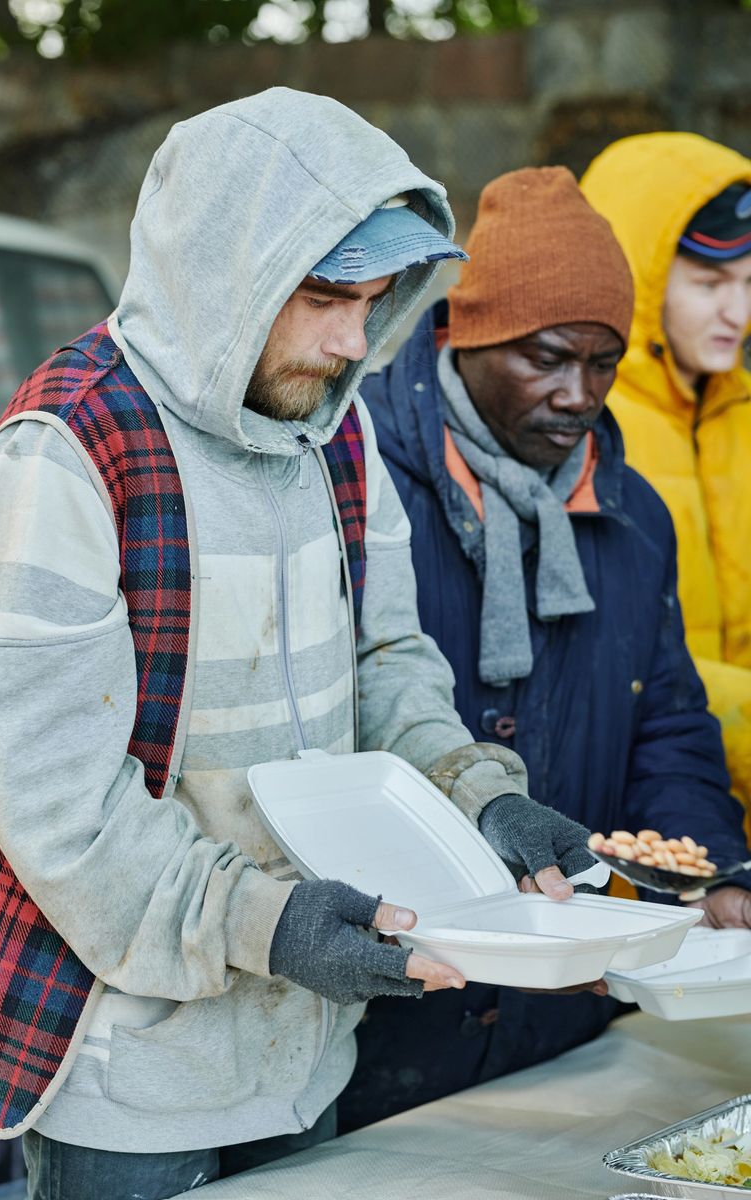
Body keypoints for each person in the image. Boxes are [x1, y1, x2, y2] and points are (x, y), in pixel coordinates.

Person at [0, 92, 596, 1200]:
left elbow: (385, 661)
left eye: (374, 300)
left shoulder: (334, 436)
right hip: (126, 1060)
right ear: (220, 271)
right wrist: (266, 920)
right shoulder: (62, 452)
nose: (356, 341)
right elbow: (56, 805)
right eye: (324, 297)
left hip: (300, 1041)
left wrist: (475, 795)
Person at [338, 166, 751, 1133]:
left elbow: (669, 725)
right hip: (387, 1010)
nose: (579, 395)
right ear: (472, 335)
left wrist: (717, 874)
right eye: (547, 357)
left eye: (603, 363)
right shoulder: (361, 481)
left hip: (559, 1013)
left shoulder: (631, 517)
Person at [580, 133, 751, 822]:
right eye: (710, 285)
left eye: (749, 281)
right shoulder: (584, 432)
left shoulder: (740, 411)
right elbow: (614, 661)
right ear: (639, 278)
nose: (738, 315)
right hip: (648, 836)